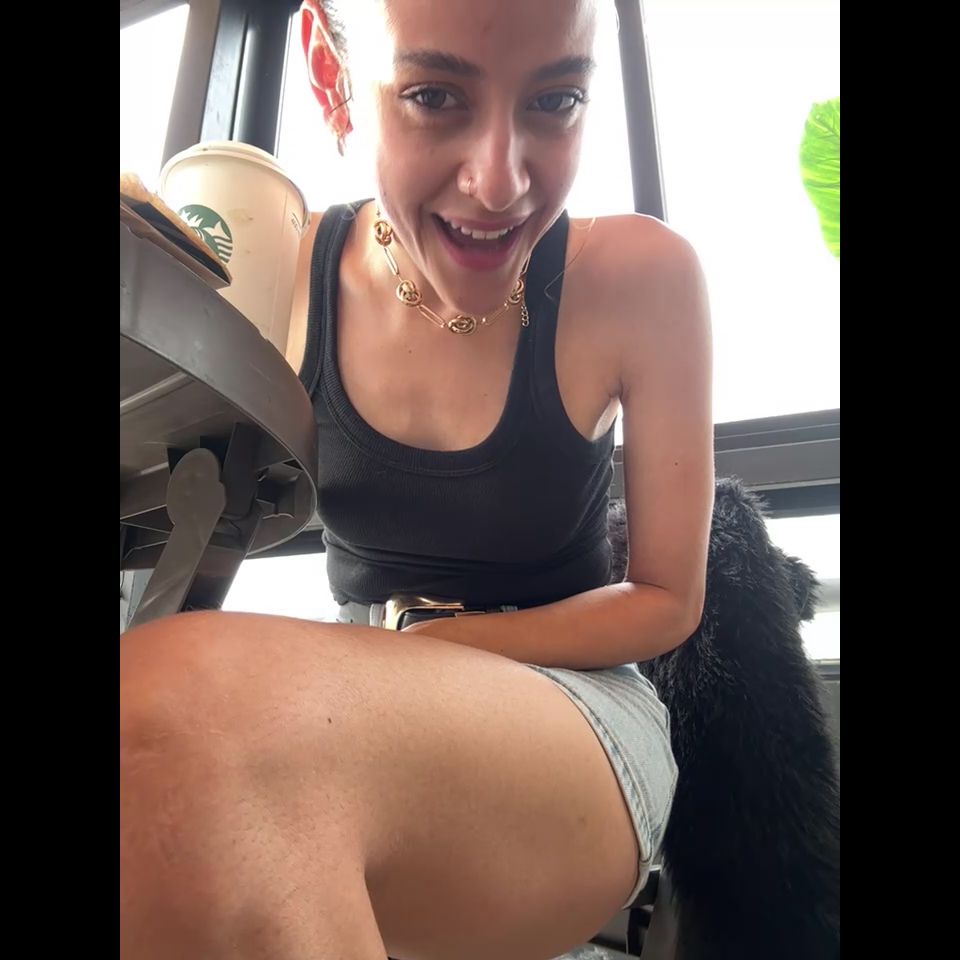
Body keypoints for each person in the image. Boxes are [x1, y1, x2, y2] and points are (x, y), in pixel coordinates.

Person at [120, 1, 714, 957]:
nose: (499, 182)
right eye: (436, 97)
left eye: (555, 101)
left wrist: (435, 640)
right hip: (355, 688)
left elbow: (666, 599)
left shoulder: (641, 276)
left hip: (578, 707)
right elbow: (198, 492)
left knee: (171, 708)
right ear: (332, 77)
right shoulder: (287, 270)